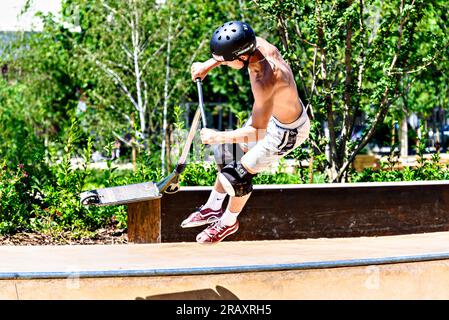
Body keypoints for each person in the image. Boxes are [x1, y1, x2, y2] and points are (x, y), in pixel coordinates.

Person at [182, 20, 310, 243]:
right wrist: (207, 65)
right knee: (226, 153)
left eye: (226, 62)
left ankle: (227, 223)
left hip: (286, 132)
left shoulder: (265, 80)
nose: (225, 65)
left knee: (237, 176)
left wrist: (218, 135)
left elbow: (258, 131)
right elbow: (233, 49)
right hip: (271, 117)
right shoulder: (255, 44)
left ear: (241, 58)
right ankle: (212, 207)